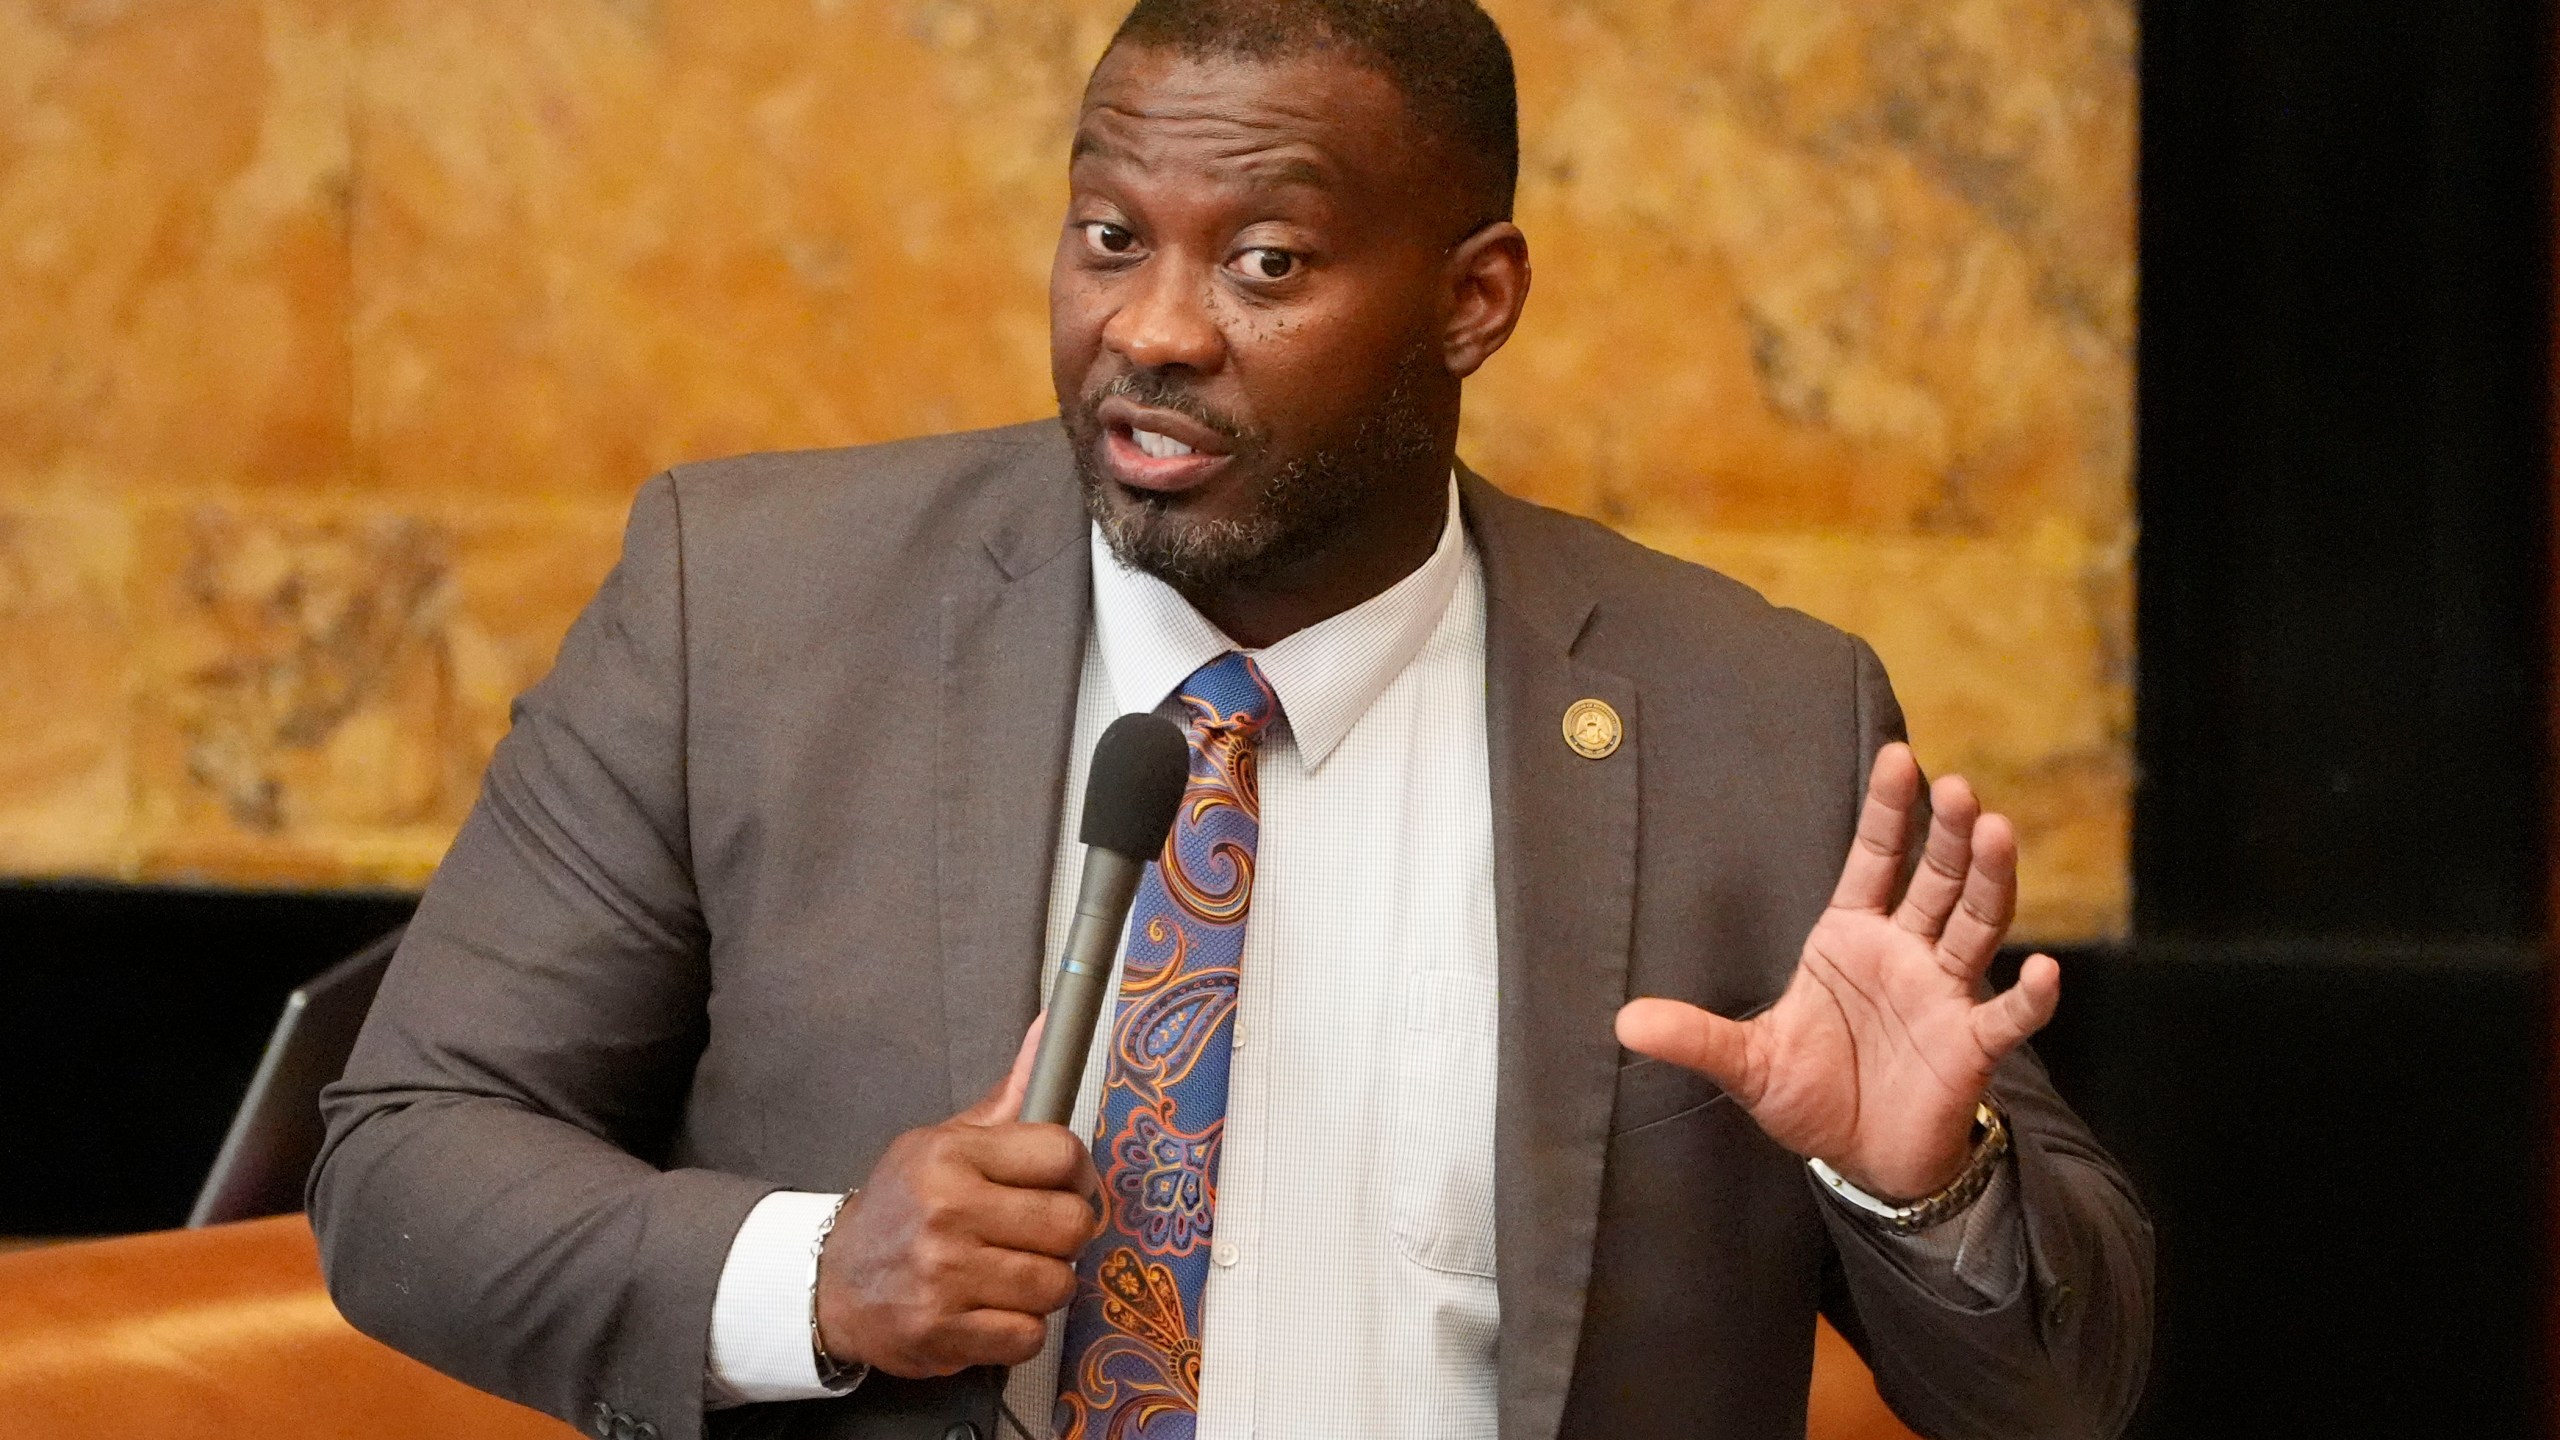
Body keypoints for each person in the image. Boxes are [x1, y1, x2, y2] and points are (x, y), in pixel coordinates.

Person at [310, 2, 2152, 1438]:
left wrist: (1922, 1193)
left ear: (1474, 302)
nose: (1156, 328)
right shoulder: (755, 611)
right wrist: (811, 1277)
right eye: (1110, 237)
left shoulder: (1752, 718)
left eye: (1265, 263)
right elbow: (409, 1146)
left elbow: (2058, 1396)